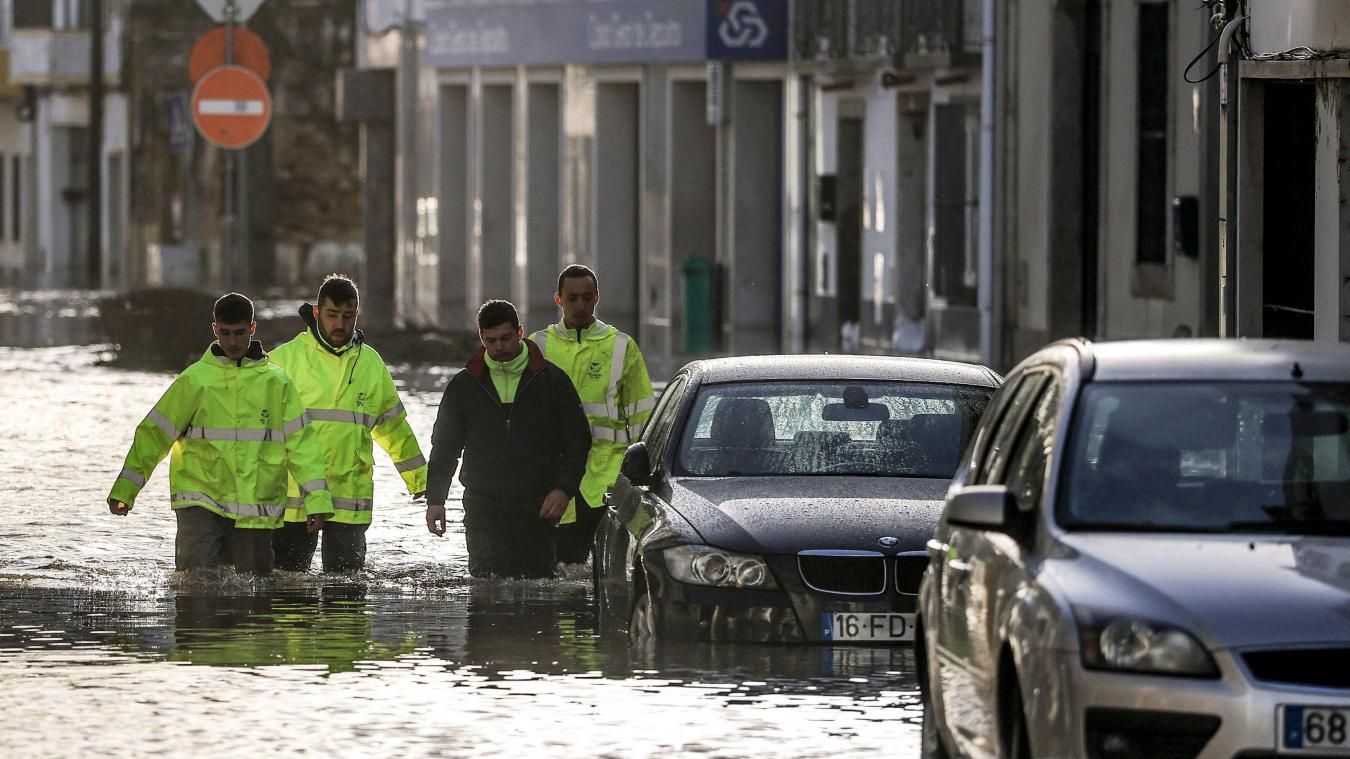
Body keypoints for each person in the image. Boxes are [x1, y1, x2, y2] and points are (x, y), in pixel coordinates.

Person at [106, 292, 334, 574]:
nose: (233, 341)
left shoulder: (277, 383)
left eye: (240, 333)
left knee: (255, 599)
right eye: (225, 333)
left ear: (253, 328)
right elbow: (154, 434)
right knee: (196, 589)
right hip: (201, 502)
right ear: (214, 330)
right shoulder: (195, 380)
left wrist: (317, 499)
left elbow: (303, 446)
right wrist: (126, 490)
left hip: (256, 507)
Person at [269, 274, 428, 573]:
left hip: (349, 497)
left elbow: (393, 427)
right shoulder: (283, 361)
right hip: (294, 498)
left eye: (348, 316)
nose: (340, 324)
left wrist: (419, 479)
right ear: (316, 312)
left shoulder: (370, 364)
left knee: (347, 597)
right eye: (332, 315)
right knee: (287, 596)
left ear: (357, 314)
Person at [425, 299, 591, 578]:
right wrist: (436, 500)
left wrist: (563, 489)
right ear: (481, 339)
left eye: (505, 338)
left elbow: (577, 440)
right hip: (483, 507)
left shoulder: (551, 381)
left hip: (538, 507)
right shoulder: (464, 386)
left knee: (538, 592)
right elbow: (444, 448)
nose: (499, 347)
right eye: (490, 341)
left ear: (520, 332)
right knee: (485, 590)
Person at [530, 264, 655, 564]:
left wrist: (646, 475)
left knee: (608, 569)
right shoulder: (537, 346)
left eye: (587, 297)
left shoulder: (621, 346)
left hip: (608, 475)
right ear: (558, 300)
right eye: (572, 298)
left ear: (597, 297)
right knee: (559, 566)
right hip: (554, 476)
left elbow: (642, 417)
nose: (580, 305)